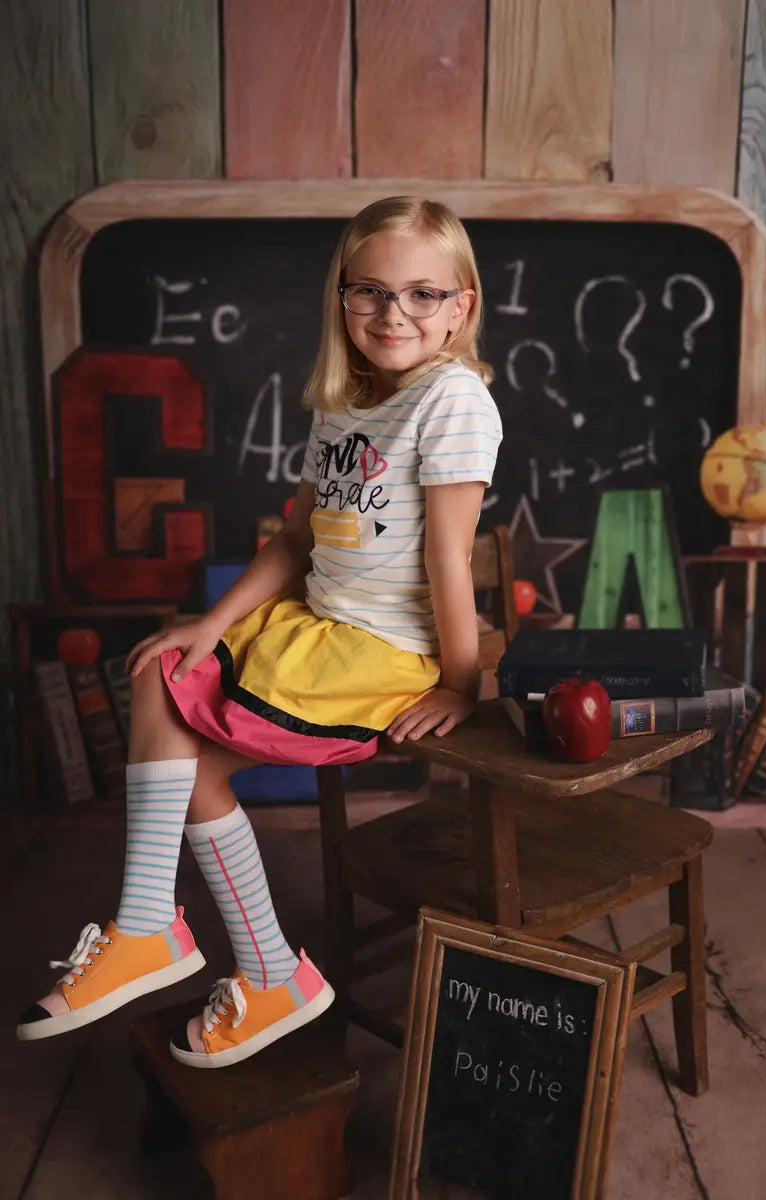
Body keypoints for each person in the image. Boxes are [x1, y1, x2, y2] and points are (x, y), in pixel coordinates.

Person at [17, 195, 503, 1068]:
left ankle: (156, 933)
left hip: (377, 654)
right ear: (342, 299)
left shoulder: (452, 400)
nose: (393, 314)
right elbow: (293, 539)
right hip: (313, 623)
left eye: (423, 294)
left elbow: (449, 561)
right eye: (370, 292)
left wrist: (459, 684)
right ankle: (254, 967)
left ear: (459, 305)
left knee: (172, 717)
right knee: (165, 667)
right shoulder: (343, 405)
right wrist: (211, 620)